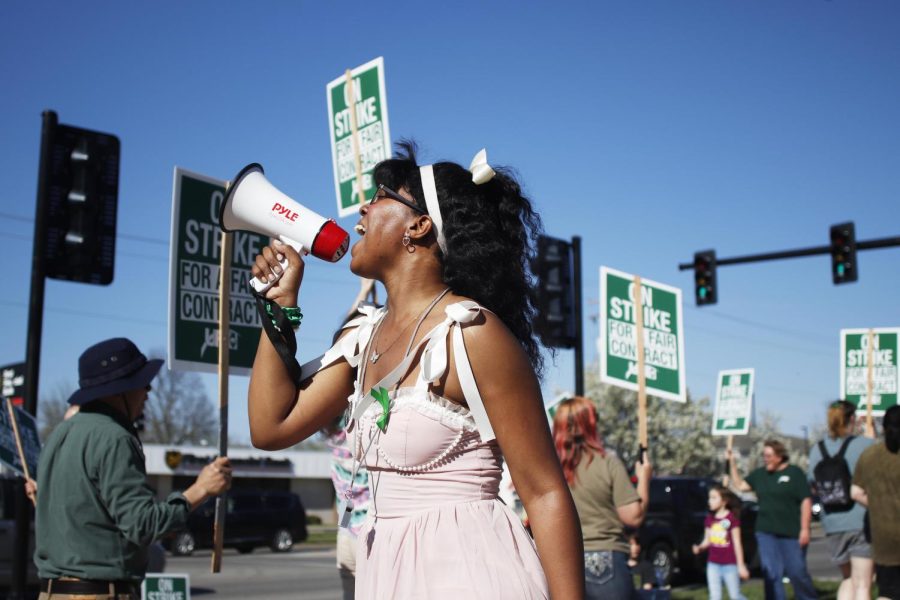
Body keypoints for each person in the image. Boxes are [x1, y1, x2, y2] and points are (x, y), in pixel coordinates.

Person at [247, 143, 583, 598]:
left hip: (474, 575)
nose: (363, 206)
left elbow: (545, 494)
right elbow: (271, 426)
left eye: (381, 194)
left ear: (419, 226)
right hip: (388, 574)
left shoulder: (472, 333)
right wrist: (280, 307)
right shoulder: (361, 340)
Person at [33, 337, 232, 600]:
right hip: (98, 592)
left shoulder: (59, 435)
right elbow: (142, 524)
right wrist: (200, 490)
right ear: (119, 391)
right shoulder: (114, 437)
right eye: (142, 383)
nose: (148, 391)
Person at [550, 396, 651, 599]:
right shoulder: (607, 463)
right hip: (605, 561)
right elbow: (633, 516)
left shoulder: (549, 468)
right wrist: (644, 479)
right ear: (590, 424)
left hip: (559, 561)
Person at [728, 439, 817, 600]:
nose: (765, 459)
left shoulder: (794, 473)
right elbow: (740, 485)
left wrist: (805, 528)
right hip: (766, 532)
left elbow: (806, 501)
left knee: (796, 572)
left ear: (780, 456)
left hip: (791, 532)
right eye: (764, 455)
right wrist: (732, 462)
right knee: (771, 573)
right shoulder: (760, 475)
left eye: (769, 455)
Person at [807, 400, 874, 600]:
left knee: (847, 579)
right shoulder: (865, 445)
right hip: (860, 521)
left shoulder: (816, 449)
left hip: (832, 522)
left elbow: (813, 484)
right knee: (863, 584)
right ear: (853, 419)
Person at [851, 405, 900, 600]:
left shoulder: (869, 456)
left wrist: (879, 505)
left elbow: (855, 493)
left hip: (883, 536)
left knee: (887, 592)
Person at [692, 485, 749, 600]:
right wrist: (700, 548)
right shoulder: (709, 519)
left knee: (735, 596)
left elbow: (737, 543)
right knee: (714, 597)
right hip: (713, 564)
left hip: (730, 564)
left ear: (724, 501)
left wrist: (741, 565)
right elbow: (707, 540)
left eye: (714, 498)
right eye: (709, 498)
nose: (710, 501)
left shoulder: (732, 518)